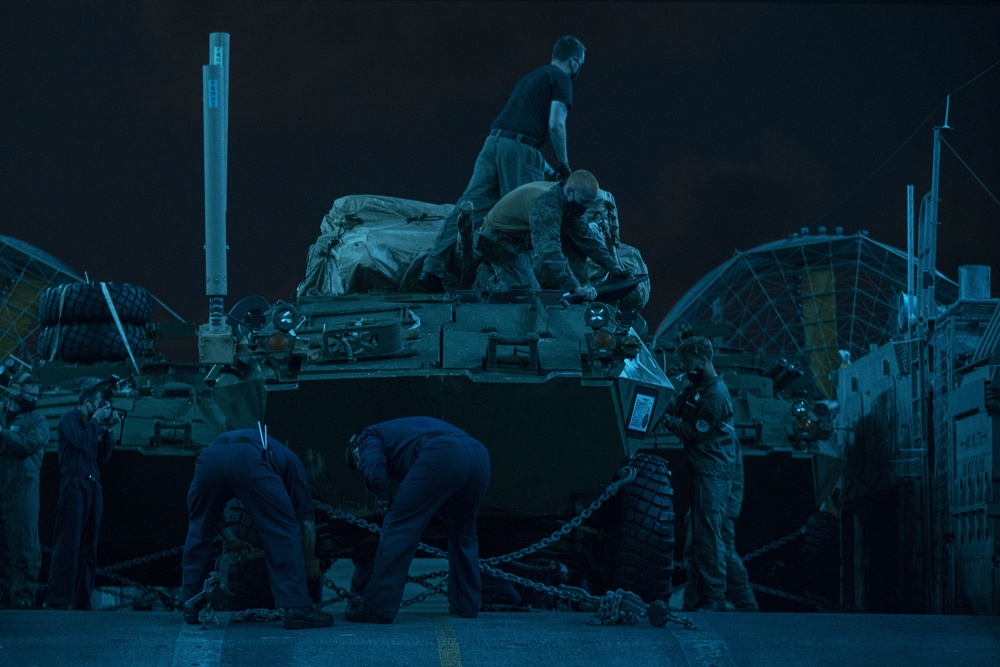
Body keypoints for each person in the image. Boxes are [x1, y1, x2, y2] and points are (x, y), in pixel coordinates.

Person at [419, 35, 587, 293]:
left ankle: (431, 271)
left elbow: (521, 131)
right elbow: (555, 124)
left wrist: (548, 170)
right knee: (526, 217)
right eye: (580, 65)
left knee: (467, 208)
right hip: (519, 151)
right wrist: (564, 164)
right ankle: (516, 283)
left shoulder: (532, 78)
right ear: (574, 62)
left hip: (494, 144)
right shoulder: (561, 79)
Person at [180, 427, 333, 630]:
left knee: (199, 528)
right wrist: (311, 562)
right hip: (250, 459)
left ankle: (191, 603)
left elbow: (212, 515)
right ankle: (297, 608)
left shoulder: (262, 447)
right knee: (282, 530)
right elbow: (305, 522)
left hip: (209, 457)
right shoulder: (293, 462)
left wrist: (231, 540)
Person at [344, 417, 491, 623]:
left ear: (354, 445)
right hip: (478, 454)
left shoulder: (368, 435)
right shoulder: (404, 429)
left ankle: (378, 608)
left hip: (442, 454)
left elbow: (375, 471)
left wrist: (385, 502)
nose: (361, 467)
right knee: (464, 533)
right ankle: (466, 604)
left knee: (398, 528)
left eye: (357, 462)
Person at [660, 336, 738, 612]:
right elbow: (677, 406)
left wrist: (667, 421)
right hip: (702, 472)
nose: (685, 366)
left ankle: (715, 598)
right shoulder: (697, 388)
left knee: (709, 537)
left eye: (688, 361)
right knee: (695, 539)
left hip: (712, 473)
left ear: (703, 360)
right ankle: (695, 598)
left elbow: (695, 433)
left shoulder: (715, 395)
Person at [473, 170, 628, 300]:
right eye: (583, 201)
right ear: (569, 191)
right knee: (526, 295)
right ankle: (486, 275)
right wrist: (576, 287)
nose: (585, 208)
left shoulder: (568, 201)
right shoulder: (546, 205)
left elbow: (586, 238)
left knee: (573, 243)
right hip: (496, 241)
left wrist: (612, 266)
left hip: (519, 238)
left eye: (589, 203)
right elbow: (549, 252)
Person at [45, 385, 118, 610]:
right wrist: (96, 422)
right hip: (74, 485)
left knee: (89, 546)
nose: (101, 409)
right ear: (87, 403)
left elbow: (102, 457)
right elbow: (81, 442)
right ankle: (58, 598)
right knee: (69, 543)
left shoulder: (93, 427)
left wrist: (108, 430)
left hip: (93, 486)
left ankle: (81, 600)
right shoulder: (69, 420)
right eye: (98, 405)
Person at [681, 442, 759, 612]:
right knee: (696, 548)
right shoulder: (718, 436)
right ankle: (692, 601)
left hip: (720, 506)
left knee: (724, 552)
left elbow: (719, 477)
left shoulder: (723, 438)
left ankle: (746, 603)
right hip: (711, 504)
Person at [0, 375, 50, 609]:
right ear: (15, 391)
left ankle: (23, 596)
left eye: (36, 396)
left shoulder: (37, 421)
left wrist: (3, 433)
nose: (34, 399)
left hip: (22, 492)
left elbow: (28, 444)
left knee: (24, 546)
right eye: (30, 394)